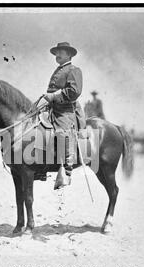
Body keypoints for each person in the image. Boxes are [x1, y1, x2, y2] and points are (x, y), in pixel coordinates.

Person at [43, 42, 85, 188]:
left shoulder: (74, 70)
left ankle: (66, 172)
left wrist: (54, 96)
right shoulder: (58, 70)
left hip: (65, 110)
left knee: (62, 133)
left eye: (61, 52)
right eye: (56, 52)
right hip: (52, 108)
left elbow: (75, 91)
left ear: (69, 54)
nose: (57, 55)